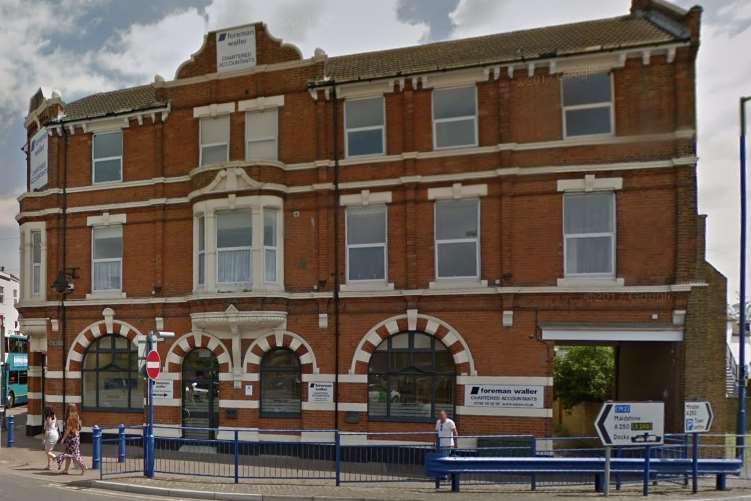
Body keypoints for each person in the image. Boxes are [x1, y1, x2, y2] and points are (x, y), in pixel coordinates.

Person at [53, 404, 86, 475]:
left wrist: (63, 438)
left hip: (71, 439)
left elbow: (68, 430)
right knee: (69, 454)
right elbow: (78, 427)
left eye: (68, 408)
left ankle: (83, 467)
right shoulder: (77, 415)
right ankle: (66, 470)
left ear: (69, 409)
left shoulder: (70, 418)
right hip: (76, 437)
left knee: (74, 454)